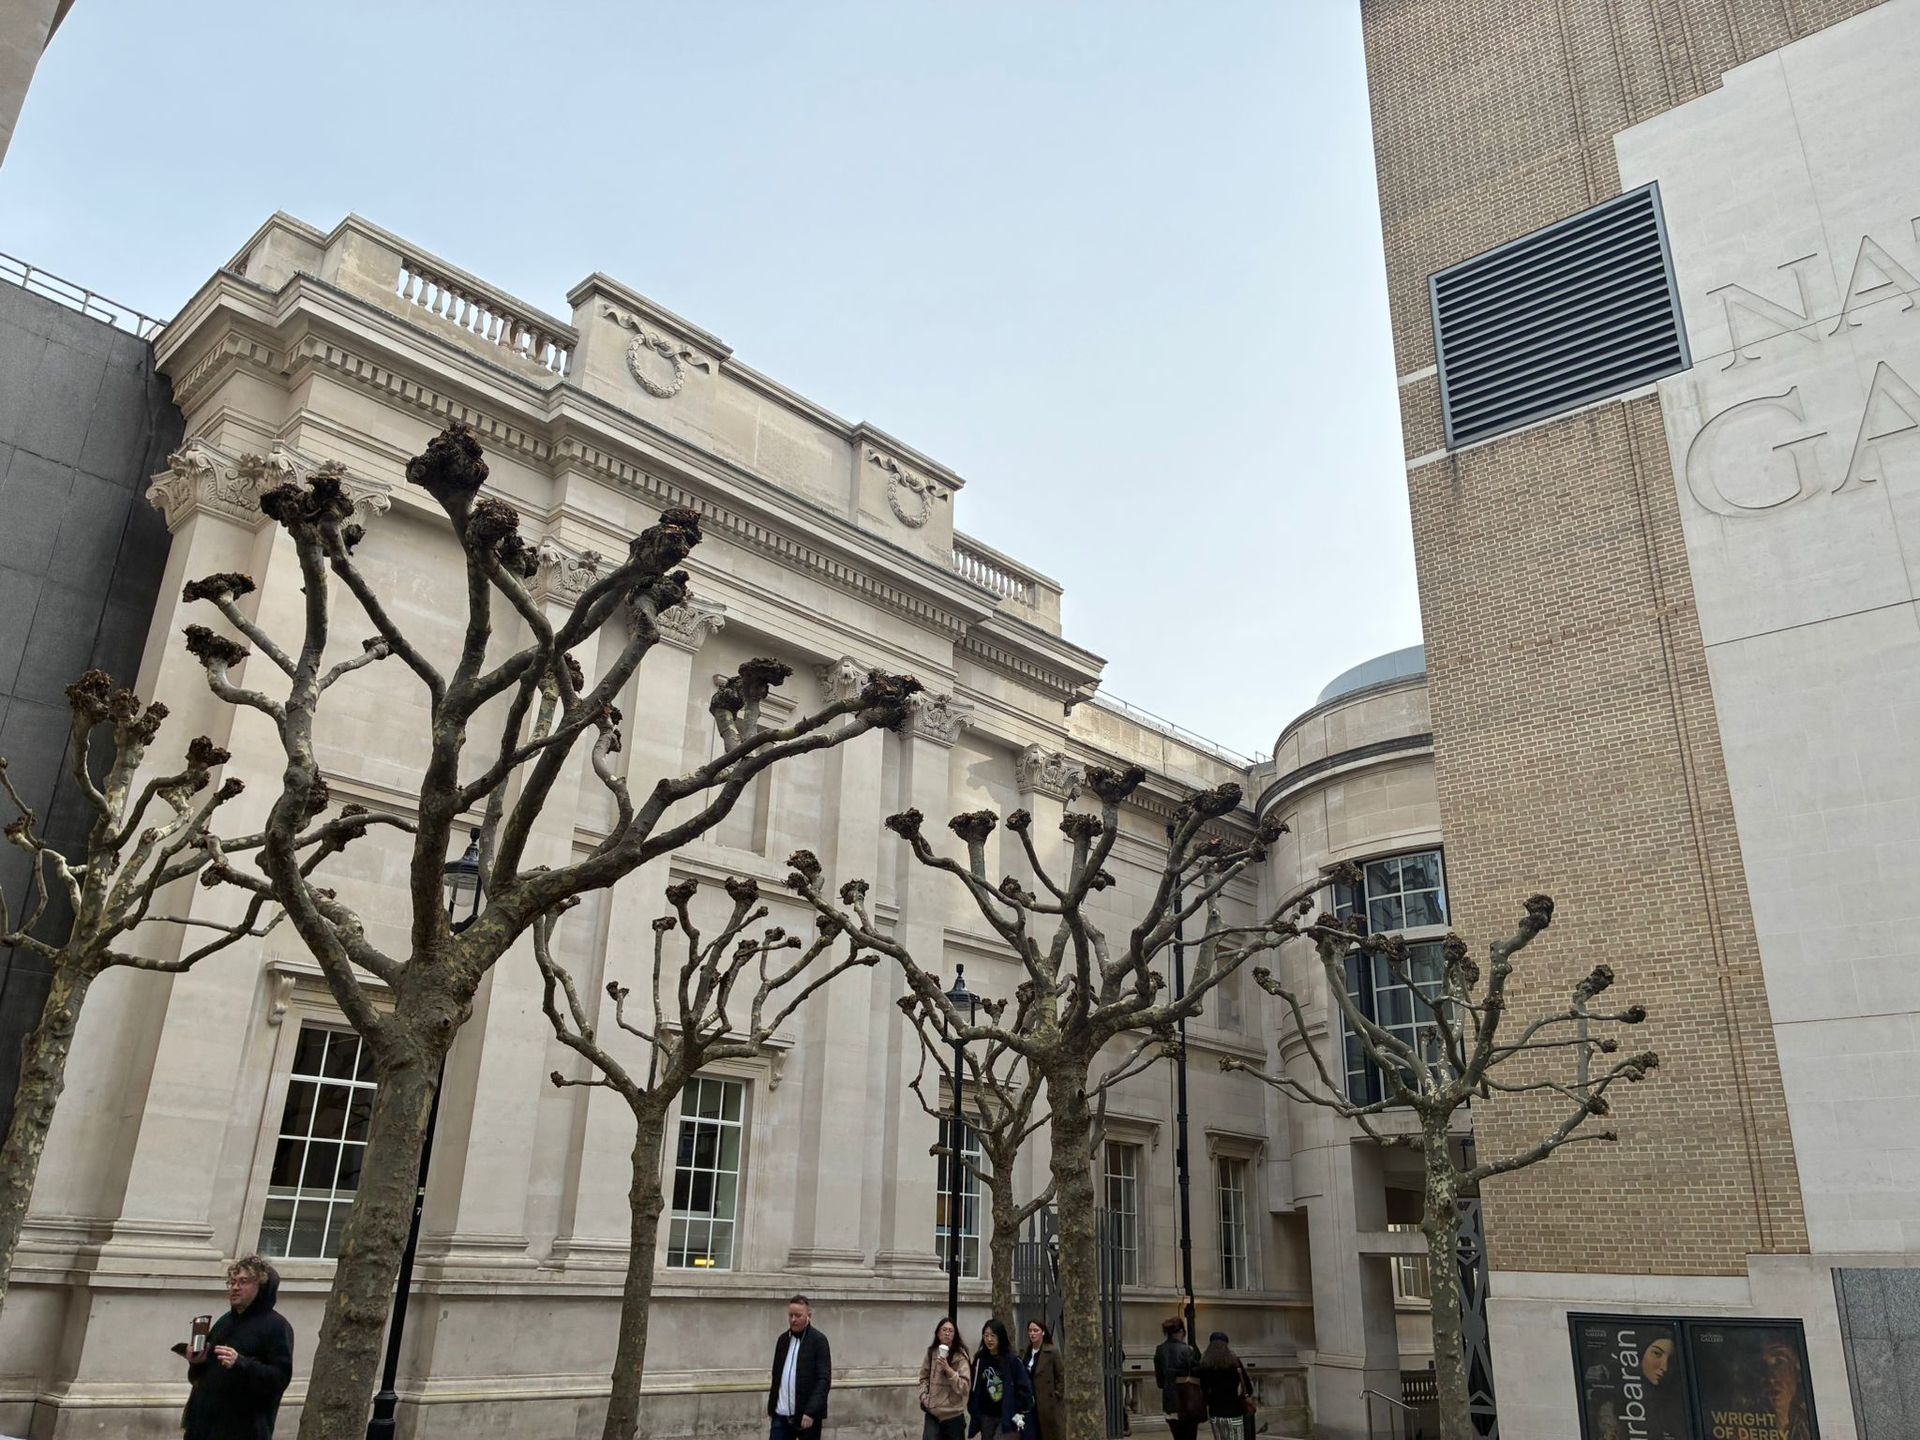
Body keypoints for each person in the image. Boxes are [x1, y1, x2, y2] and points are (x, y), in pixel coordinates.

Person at [181, 1255, 293, 1440]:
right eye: (232, 1282)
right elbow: (202, 1374)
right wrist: (197, 1361)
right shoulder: (225, 1321)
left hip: (243, 1429)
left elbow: (280, 1378)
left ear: (262, 1286)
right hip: (203, 1426)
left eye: (243, 1281)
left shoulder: (277, 1326)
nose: (234, 1287)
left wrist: (241, 1363)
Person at [768, 1294, 831, 1440]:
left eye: (798, 1315)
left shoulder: (819, 1341)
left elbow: (824, 1379)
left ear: (809, 1316)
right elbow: (776, 1375)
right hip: (780, 1415)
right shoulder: (783, 1340)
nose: (793, 1320)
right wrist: (771, 1408)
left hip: (806, 1417)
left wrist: (811, 1411)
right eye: (790, 1315)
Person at [968, 1318, 1034, 1439]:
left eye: (993, 1335)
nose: (989, 1339)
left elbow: (1025, 1388)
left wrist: (1016, 1407)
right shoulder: (980, 1359)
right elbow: (974, 1386)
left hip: (1007, 1415)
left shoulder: (1012, 1361)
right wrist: (974, 1408)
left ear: (1000, 1337)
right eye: (986, 1335)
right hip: (986, 1415)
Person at [919, 1317, 972, 1440]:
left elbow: (964, 1387)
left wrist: (948, 1370)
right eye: (944, 1330)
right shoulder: (931, 1352)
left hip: (953, 1414)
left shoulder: (960, 1356)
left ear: (955, 1335)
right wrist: (924, 1397)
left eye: (950, 1331)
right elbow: (923, 1378)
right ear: (938, 1333)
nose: (947, 1333)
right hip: (933, 1413)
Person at [1195, 1331, 1252, 1440]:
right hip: (1234, 1411)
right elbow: (1248, 1387)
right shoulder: (1234, 1362)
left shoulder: (1204, 1365)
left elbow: (1203, 1391)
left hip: (1215, 1413)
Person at [1155, 1317, 1204, 1440]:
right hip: (1187, 1399)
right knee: (1190, 1435)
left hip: (1169, 1399)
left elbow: (1159, 1380)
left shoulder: (1160, 1350)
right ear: (1181, 1331)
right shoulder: (1188, 1350)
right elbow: (1197, 1373)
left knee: (1177, 1436)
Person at [1024, 1319, 1066, 1440]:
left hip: (1047, 1402)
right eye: (1030, 1331)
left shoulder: (1052, 1351)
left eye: (1036, 1330)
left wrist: (1057, 1394)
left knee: (1048, 1434)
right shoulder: (1026, 1352)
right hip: (1029, 1401)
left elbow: (1061, 1374)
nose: (1032, 1333)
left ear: (1042, 1332)